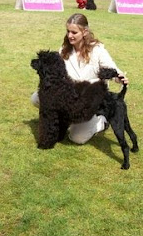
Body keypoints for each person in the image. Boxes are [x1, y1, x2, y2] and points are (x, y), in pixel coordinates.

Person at [31, 13, 128, 144]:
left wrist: (119, 77)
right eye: (68, 31)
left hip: (90, 101)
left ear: (85, 32)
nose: (69, 35)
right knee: (37, 97)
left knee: (77, 138)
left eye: (74, 32)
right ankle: (64, 120)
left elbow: (112, 69)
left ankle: (101, 121)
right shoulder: (63, 50)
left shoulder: (98, 50)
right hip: (71, 97)